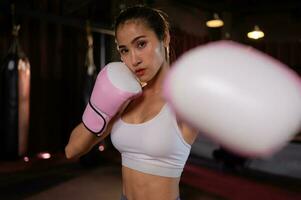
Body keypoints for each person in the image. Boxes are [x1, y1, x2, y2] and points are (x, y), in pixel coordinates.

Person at [65, 5, 198, 200]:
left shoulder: (184, 101)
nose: (133, 59)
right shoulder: (127, 99)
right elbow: (72, 150)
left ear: (165, 38)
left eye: (141, 44)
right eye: (124, 50)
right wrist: (99, 108)